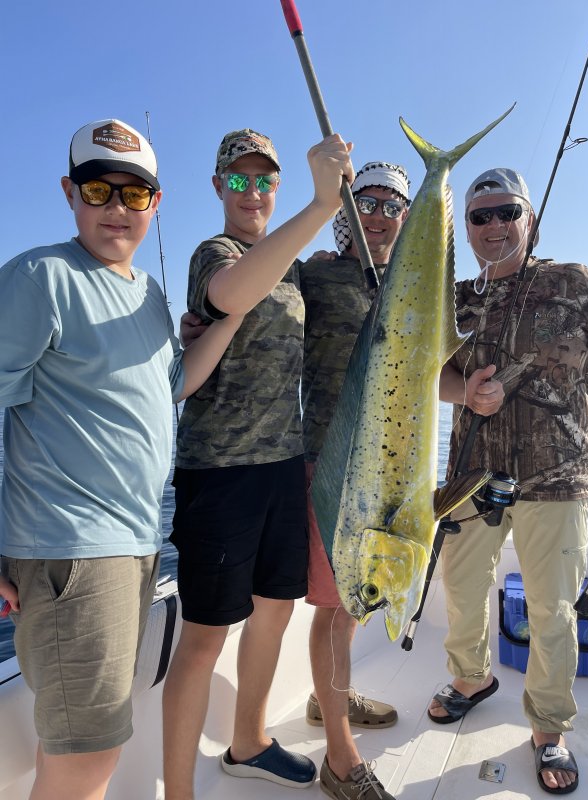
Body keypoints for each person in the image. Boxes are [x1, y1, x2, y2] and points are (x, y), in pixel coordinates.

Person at [0, 118, 247, 800]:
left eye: (134, 194)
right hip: (73, 548)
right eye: (97, 189)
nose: (116, 207)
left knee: (85, 749)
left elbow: (174, 384)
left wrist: (231, 317)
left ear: (156, 203)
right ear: (69, 192)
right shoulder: (41, 277)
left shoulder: (148, 294)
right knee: (87, 760)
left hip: (134, 546)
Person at [162, 128, 354, 799]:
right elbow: (229, 294)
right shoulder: (212, 253)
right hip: (220, 473)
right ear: (219, 186)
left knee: (275, 610)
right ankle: (179, 793)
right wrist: (321, 206)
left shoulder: (295, 267)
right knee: (205, 637)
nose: (252, 192)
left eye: (264, 180)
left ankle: (248, 741)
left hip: (284, 465)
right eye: (238, 180)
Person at [432, 168, 588, 795]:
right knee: (461, 584)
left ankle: (549, 727)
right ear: (468, 227)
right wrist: (464, 393)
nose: (495, 225)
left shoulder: (575, 283)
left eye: (508, 212)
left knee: (552, 609)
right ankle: (471, 678)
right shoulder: (454, 299)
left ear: (530, 218)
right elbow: (427, 373)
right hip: (472, 473)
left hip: (559, 474)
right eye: (481, 216)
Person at [300, 162, 409, 800]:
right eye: (366, 202)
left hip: (393, 469)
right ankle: (340, 759)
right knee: (337, 606)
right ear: (346, 209)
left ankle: (328, 700)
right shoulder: (314, 274)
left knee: (359, 599)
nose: (378, 215)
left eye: (393, 206)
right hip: (332, 463)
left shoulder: (410, 284)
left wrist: (470, 394)